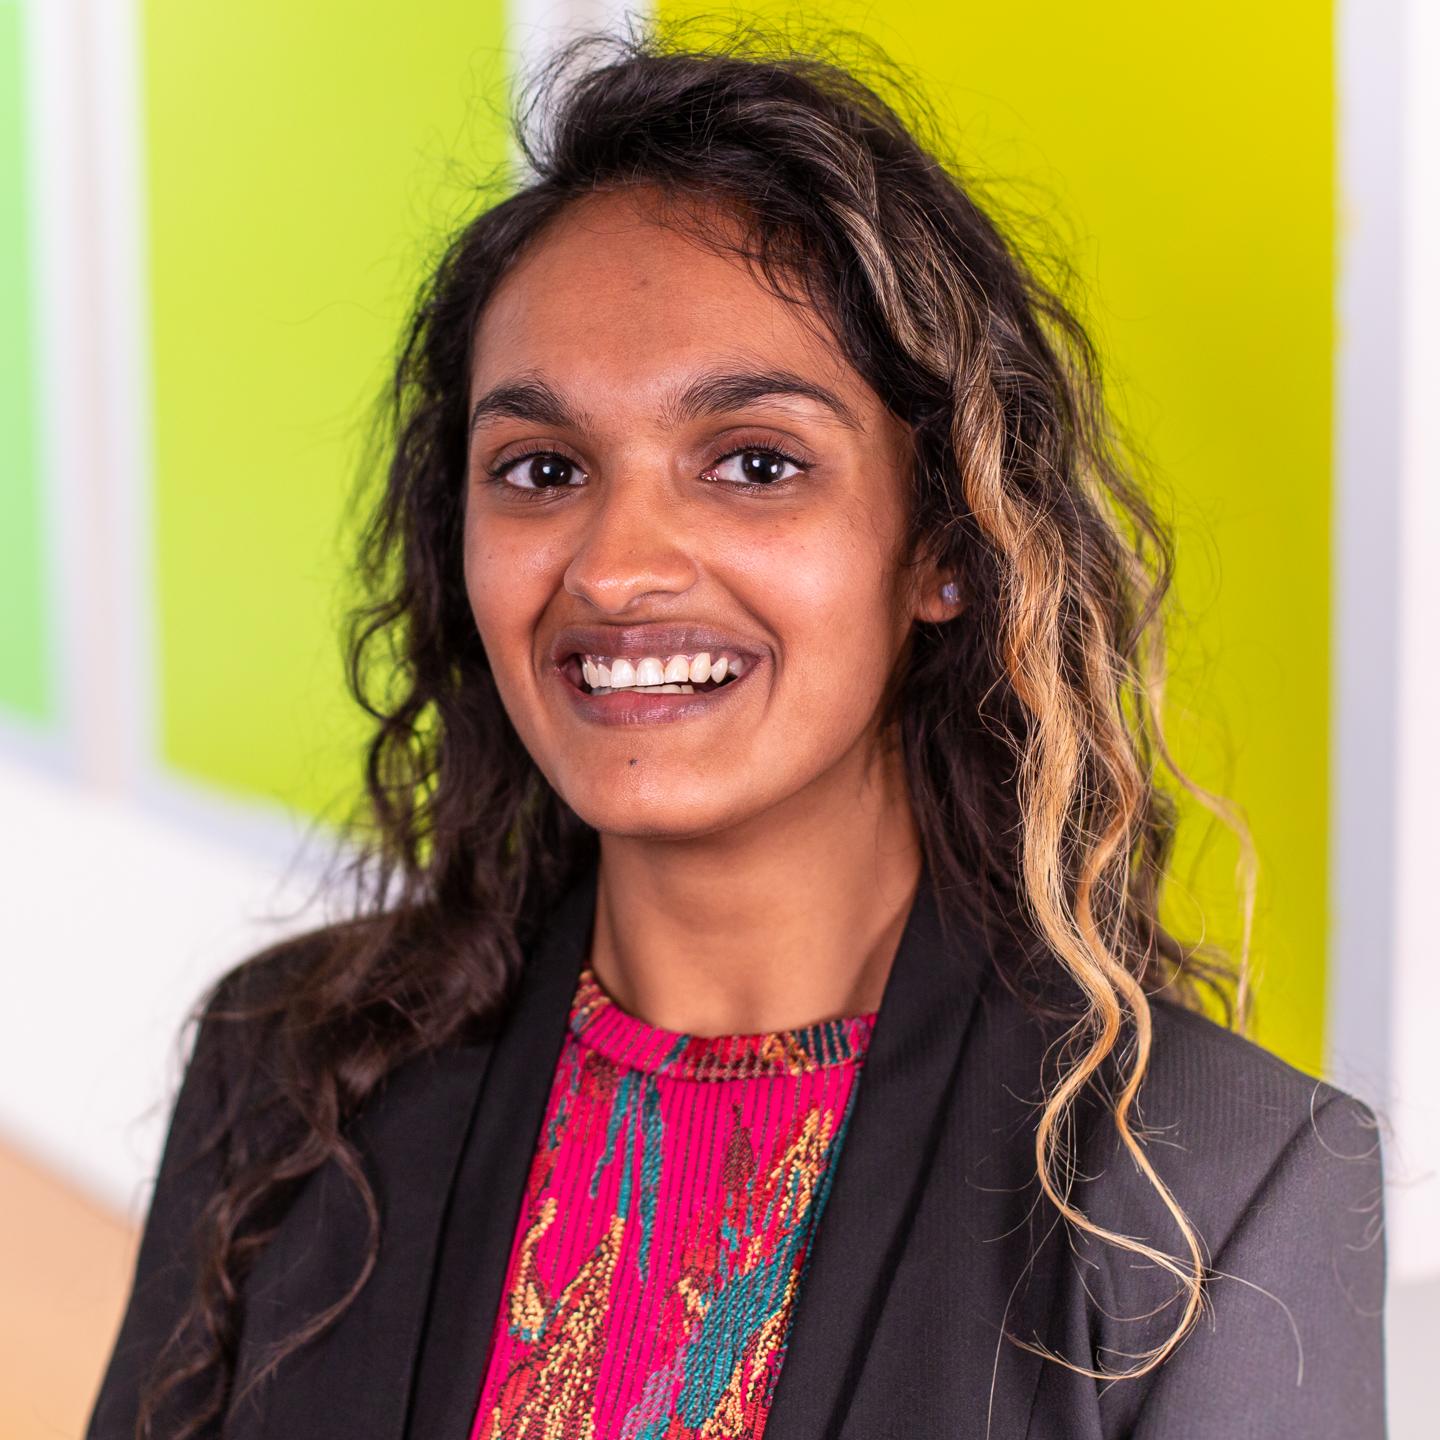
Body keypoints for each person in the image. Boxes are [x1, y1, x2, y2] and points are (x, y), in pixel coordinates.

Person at [87, 22, 1386, 1440]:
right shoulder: (291, 1073)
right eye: (540, 468)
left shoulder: (1215, 1199)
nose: (615, 566)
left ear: (944, 543)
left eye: (755, 463)